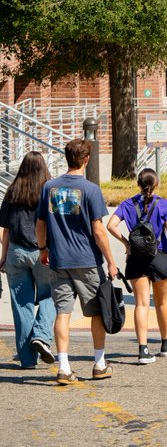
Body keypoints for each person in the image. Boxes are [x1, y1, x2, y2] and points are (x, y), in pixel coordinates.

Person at [35, 138, 119, 384]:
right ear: (86, 159)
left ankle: (63, 367)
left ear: (67, 158)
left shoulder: (49, 187)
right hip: (87, 260)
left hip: (59, 260)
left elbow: (40, 223)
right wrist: (110, 260)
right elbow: (99, 230)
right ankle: (99, 363)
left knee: (62, 312)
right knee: (96, 312)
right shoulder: (91, 189)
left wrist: (43, 248)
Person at [105, 169, 167, 364]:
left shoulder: (127, 204)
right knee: (161, 303)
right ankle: (165, 343)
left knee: (141, 304)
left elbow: (110, 225)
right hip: (159, 257)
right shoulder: (164, 205)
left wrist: (127, 244)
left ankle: (143, 350)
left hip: (136, 258)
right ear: (156, 184)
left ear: (138, 184)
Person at [0, 151, 56, 368]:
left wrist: (3, 257)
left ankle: (27, 359)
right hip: (43, 253)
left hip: (16, 252)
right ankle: (41, 335)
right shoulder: (49, 191)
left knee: (21, 304)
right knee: (50, 295)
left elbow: (6, 229)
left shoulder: (13, 191)